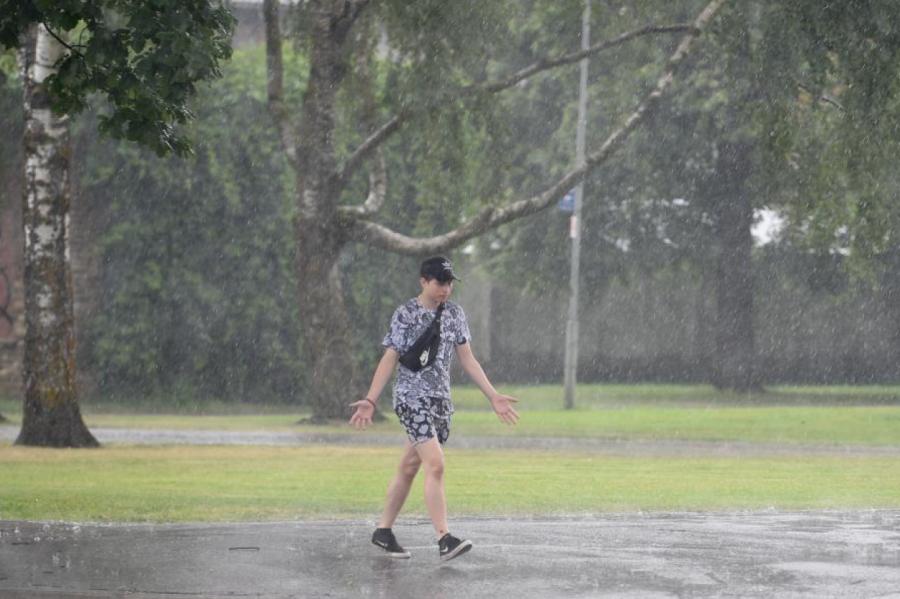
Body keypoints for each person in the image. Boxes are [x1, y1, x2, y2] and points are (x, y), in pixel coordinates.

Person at [349, 256, 520, 562]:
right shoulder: (406, 314)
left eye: (450, 282)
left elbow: (468, 359)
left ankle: (383, 531)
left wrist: (493, 396)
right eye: (440, 282)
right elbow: (390, 357)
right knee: (436, 464)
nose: (446, 289)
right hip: (410, 397)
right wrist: (371, 400)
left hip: (440, 402)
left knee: (410, 467)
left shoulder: (455, 314)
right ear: (424, 281)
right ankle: (444, 538)